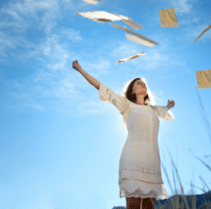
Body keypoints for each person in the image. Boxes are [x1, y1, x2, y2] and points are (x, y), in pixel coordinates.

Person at [72, 60, 175, 209]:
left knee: (149, 207)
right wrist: (81, 70)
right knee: (133, 206)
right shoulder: (127, 105)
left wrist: (169, 105)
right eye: (138, 83)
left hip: (152, 161)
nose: (143, 85)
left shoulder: (154, 109)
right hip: (133, 160)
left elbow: (165, 110)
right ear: (132, 91)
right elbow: (101, 87)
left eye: (144, 83)